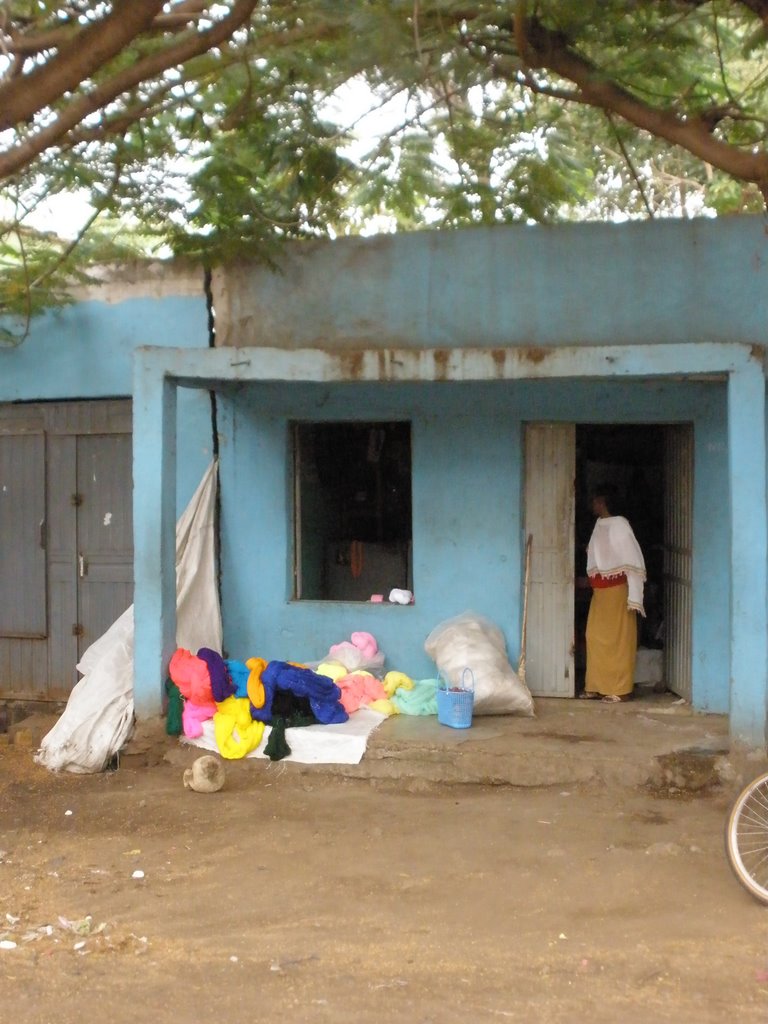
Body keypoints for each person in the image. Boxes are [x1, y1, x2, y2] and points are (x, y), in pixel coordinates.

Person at [579, 488, 646, 703]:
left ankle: (620, 689)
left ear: (603, 501)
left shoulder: (620, 525)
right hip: (600, 591)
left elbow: (633, 562)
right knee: (595, 636)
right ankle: (596, 685)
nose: (592, 505)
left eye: (595, 501)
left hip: (618, 591)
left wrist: (634, 595)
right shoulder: (599, 525)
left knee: (619, 640)